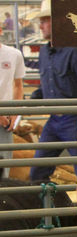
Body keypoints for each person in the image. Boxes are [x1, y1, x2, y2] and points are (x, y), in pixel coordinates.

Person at [27, 0, 77, 184]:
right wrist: (34, 99)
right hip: (54, 120)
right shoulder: (44, 53)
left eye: (45, 20)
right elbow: (49, 84)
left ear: (58, 22)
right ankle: (53, 212)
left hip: (75, 120)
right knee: (37, 173)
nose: (41, 25)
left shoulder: (76, 51)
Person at [0, 25, 25, 179]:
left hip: (5, 122)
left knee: (4, 166)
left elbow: (18, 85)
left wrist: (15, 112)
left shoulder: (14, 54)